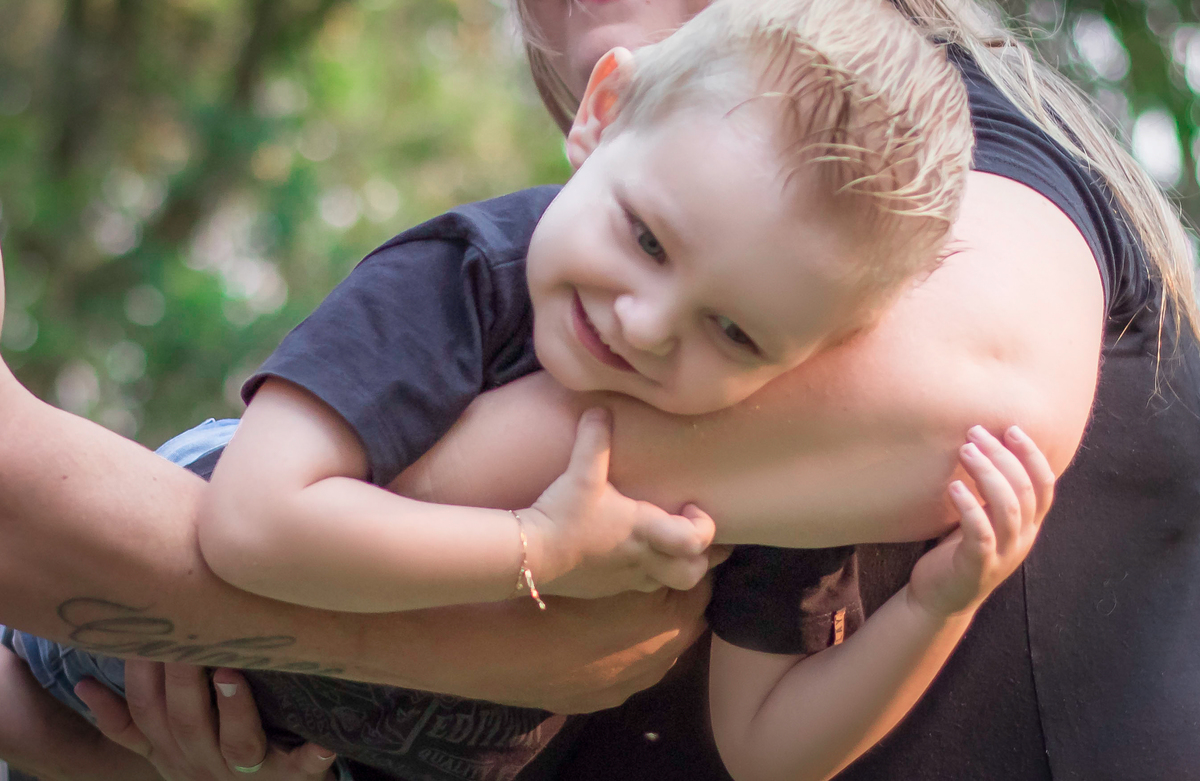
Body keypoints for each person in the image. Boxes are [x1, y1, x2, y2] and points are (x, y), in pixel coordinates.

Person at [0, 0, 1193, 780]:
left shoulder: (956, 175)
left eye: (733, 328)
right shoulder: (482, 271)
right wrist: (526, 561)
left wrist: (938, 603)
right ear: (603, 112)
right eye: (650, 240)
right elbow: (243, 523)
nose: (645, 322)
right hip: (199, 523)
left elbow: (774, 741)